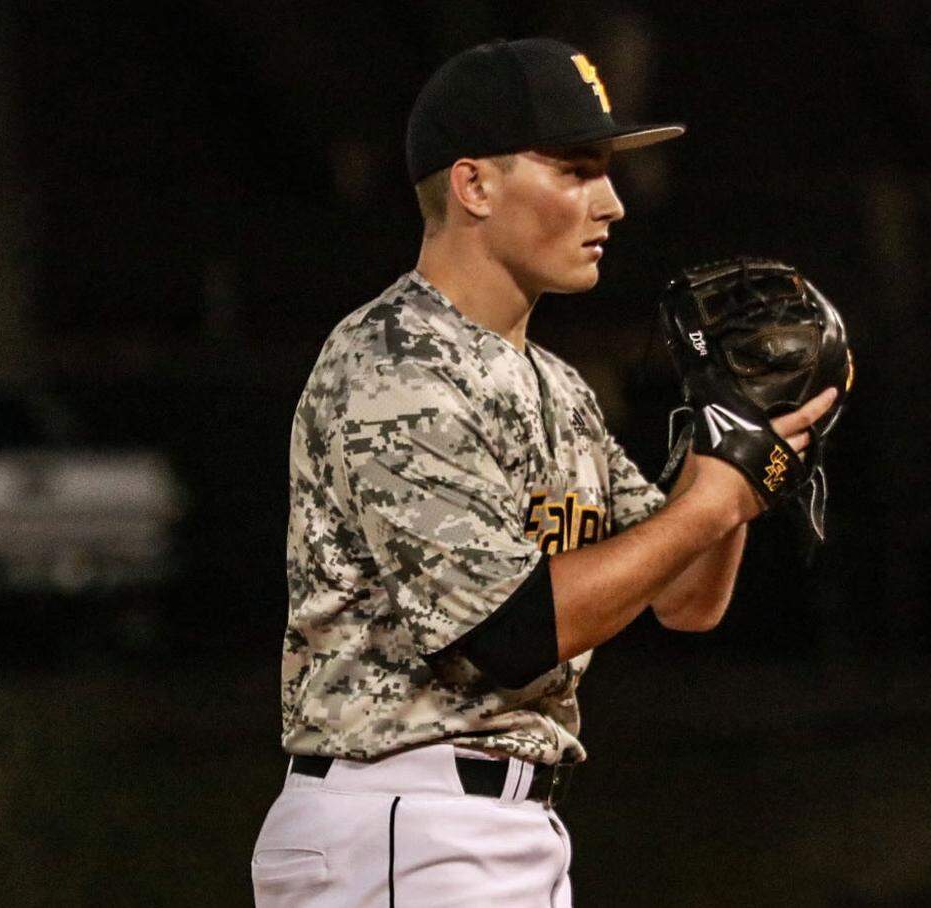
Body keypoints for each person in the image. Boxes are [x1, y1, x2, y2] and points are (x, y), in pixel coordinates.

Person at [251, 37, 837, 907]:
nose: (611, 203)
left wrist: (734, 446)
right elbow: (506, 637)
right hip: (403, 819)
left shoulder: (556, 385)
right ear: (474, 185)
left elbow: (685, 599)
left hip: (495, 830)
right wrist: (709, 498)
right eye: (574, 169)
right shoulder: (396, 365)